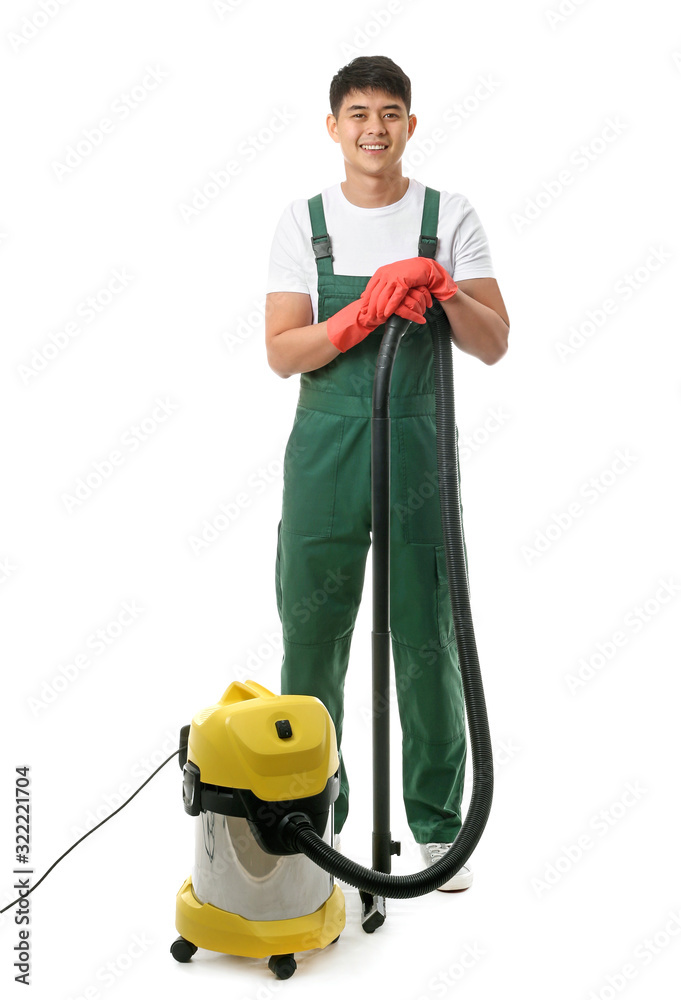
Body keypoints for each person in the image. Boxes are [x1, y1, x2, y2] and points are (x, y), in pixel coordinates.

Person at [265, 55, 509, 892]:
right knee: (312, 635)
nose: (375, 126)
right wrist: (362, 313)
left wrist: (439, 286)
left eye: (391, 111)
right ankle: (309, 827)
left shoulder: (448, 217)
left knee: (427, 636)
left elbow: (491, 342)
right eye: (359, 112)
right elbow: (282, 352)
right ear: (333, 126)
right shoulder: (304, 222)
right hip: (325, 450)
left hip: (417, 450)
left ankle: (439, 829)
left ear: (411, 123)